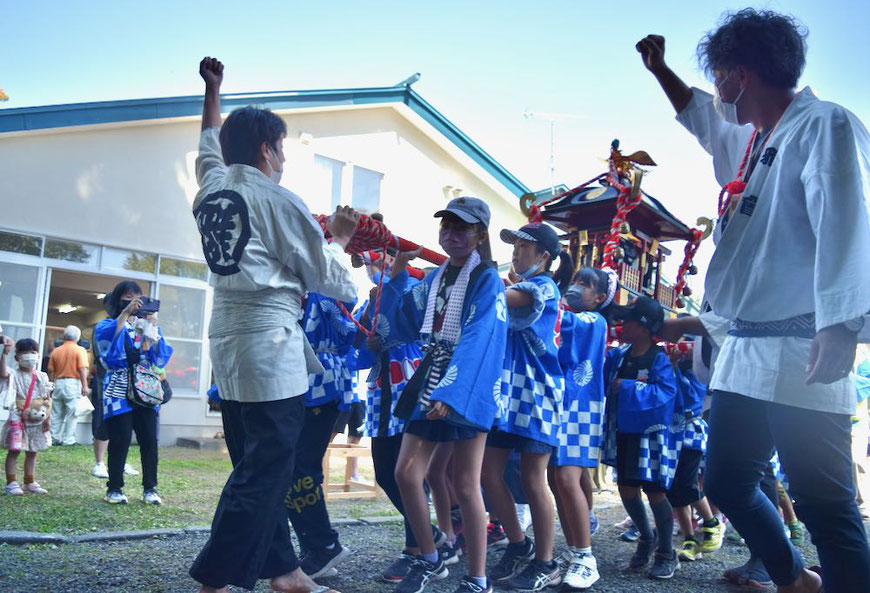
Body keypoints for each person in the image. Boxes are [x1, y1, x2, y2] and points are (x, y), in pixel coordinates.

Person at [638, 8, 870, 591]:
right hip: (743, 348)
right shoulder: (757, 135)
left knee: (826, 505)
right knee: (728, 480)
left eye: (718, 75)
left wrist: (843, 324)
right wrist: (660, 71)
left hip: (801, 345)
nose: (716, 91)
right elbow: (701, 117)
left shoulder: (823, 124)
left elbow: (849, 218)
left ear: (740, 74)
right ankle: (794, 579)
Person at [188, 57, 359, 593]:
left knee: (255, 465)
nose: (283, 158)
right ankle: (213, 580)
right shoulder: (276, 199)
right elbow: (335, 281)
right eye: (281, 147)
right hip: (269, 346)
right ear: (267, 149)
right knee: (265, 474)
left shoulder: (211, 187)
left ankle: (286, 575)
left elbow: (207, 142)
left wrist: (213, 90)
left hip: (229, 343)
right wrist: (341, 237)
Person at [378, 196, 507, 593]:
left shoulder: (487, 278)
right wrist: (398, 275)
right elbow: (406, 319)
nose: (451, 235)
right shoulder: (434, 278)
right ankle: (431, 556)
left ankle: (477, 578)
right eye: (446, 227)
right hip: (431, 374)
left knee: (466, 483)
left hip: (469, 383)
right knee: (406, 472)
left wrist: (452, 390)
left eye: (462, 228)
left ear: (479, 235)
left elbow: (479, 336)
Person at [483, 222, 573, 591]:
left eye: (524, 246)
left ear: (544, 257)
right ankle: (519, 543)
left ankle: (546, 561)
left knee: (535, 480)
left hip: (538, 395)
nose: (517, 252)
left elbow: (501, 299)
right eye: (515, 246)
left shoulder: (543, 287)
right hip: (507, 395)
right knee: (489, 474)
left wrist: (481, 275)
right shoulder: (522, 284)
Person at [603, 296, 680, 580]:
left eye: (630, 320)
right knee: (626, 488)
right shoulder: (619, 355)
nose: (623, 324)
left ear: (645, 328)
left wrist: (628, 387)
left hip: (651, 437)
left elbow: (665, 395)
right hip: (624, 432)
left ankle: (666, 552)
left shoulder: (659, 359)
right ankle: (647, 538)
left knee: (655, 491)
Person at [549, 266, 615, 588]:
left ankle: (587, 556)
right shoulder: (572, 315)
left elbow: (568, 326)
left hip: (583, 406)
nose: (576, 288)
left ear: (600, 298)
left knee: (566, 476)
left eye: (585, 285)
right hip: (560, 402)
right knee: (555, 479)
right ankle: (575, 549)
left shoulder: (595, 321)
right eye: (574, 281)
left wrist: (547, 300)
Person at [285, 292, 357, 579]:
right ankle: (315, 546)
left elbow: (346, 330)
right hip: (300, 379)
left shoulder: (328, 284)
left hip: (320, 381)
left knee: (301, 467)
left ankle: (324, 544)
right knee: (293, 467)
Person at [94, 281, 172, 505]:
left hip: (145, 389)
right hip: (118, 390)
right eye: (129, 297)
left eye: (139, 297)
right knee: (120, 439)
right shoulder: (107, 324)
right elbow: (107, 349)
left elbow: (159, 356)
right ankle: (114, 488)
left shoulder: (146, 325)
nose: (135, 301)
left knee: (149, 440)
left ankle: (150, 488)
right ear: (119, 299)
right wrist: (125, 314)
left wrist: (152, 327)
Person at [667, 345, 724, 562]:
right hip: (671, 435)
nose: (683, 350)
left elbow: (688, 399)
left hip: (691, 436)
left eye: (688, 345)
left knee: (686, 484)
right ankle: (690, 540)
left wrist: (673, 368)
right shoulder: (671, 365)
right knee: (674, 490)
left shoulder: (700, 373)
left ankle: (711, 523)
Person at [1, 337, 52, 495]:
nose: (29, 356)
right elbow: (3, 373)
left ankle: (29, 481)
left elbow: (47, 399)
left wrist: (47, 418)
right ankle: (11, 482)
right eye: (25, 352)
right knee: (14, 450)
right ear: (17, 357)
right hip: (19, 418)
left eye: (33, 352)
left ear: (37, 355)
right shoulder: (13, 374)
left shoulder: (42, 376)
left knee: (33, 450)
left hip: (37, 419)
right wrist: (4, 354)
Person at [47, 325, 89, 446]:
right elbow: (82, 368)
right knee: (72, 413)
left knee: (56, 413)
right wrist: (84, 385)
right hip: (72, 383)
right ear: (78, 336)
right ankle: (68, 439)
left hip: (58, 382)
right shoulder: (79, 350)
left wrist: (52, 382)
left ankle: (54, 438)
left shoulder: (56, 351)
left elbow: (51, 369)